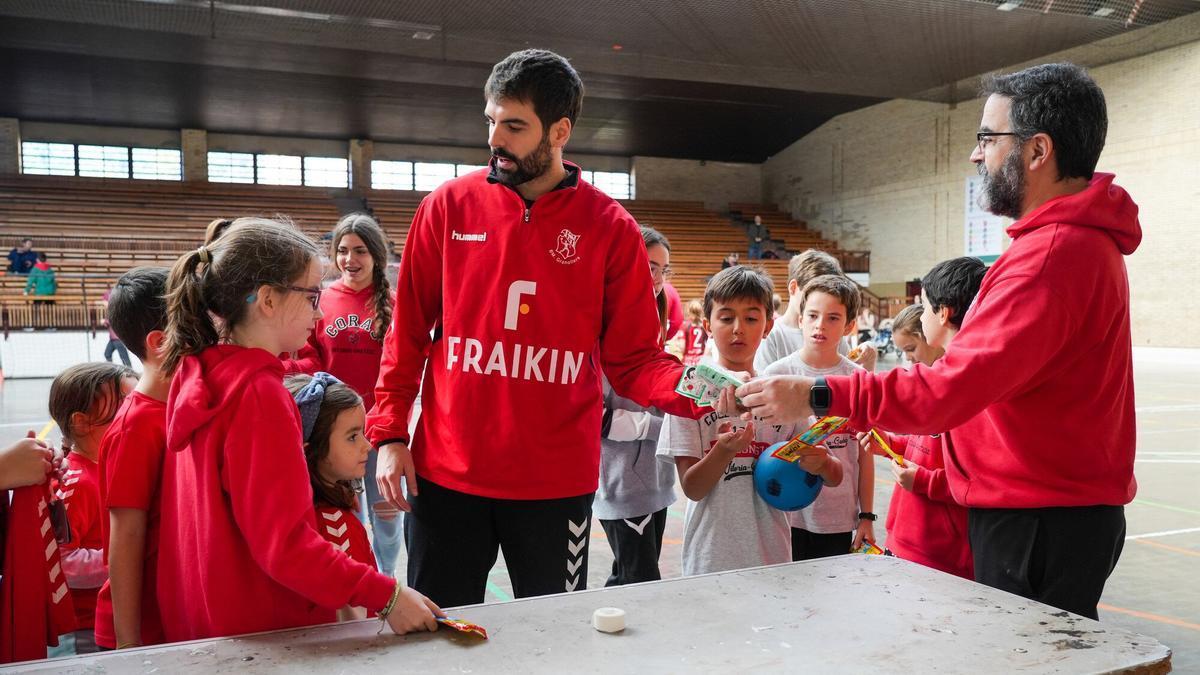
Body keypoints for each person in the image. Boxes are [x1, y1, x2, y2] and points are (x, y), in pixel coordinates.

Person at [735, 63, 1139, 621]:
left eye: (987, 138)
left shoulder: (1049, 258)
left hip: (1039, 521)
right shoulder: (1070, 247)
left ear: (1038, 150)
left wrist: (817, 395)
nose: (978, 155)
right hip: (1051, 514)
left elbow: (948, 391)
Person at [368, 49, 703, 608]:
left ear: (560, 130)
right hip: (447, 477)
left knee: (556, 645)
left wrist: (711, 393)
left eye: (515, 126)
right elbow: (406, 336)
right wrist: (389, 434)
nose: (496, 138)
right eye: (491, 121)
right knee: (437, 638)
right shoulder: (446, 207)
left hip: (555, 487)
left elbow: (637, 361)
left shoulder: (610, 228)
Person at [157, 217, 442, 641]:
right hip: (265, 624)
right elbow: (285, 545)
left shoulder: (197, 372)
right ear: (268, 300)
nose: (320, 309)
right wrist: (388, 596)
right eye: (311, 296)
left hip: (207, 615)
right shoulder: (260, 396)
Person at [658, 266, 842, 576]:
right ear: (707, 324)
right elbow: (693, 488)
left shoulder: (782, 394)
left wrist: (822, 462)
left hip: (773, 559)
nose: (738, 329)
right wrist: (724, 450)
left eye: (751, 318)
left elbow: (835, 475)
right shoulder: (690, 397)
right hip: (710, 560)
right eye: (726, 318)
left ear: (768, 325)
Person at [283, 214, 402, 577]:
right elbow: (309, 357)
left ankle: (388, 580)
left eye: (360, 251)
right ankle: (356, 585)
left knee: (387, 518)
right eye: (343, 251)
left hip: (380, 429)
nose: (350, 259)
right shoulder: (322, 301)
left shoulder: (394, 303)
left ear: (376, 256)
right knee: (346, 514)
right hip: (334, 429)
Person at [860, 300, 973, 580]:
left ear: (934, 334)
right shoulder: (928, 395)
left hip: (940, 551)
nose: (908, 359)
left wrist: (922, 481)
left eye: (911, 349)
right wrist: (886, 445)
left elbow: (973, 483)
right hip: (902, 535)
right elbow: (919, 447)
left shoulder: (967, 403)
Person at [762, 275, 872, 559]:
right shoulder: (777, 376)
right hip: (784, 514)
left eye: (833, 318)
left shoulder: (859, 380)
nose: (820, 324)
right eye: (812, 315)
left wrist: (867, 515)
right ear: (800, 319)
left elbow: (865, 454)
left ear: (849, 326)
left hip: (836, 516)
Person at [92, 267, 171, 651]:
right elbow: (126, 538)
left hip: (170, 613)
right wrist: (128, 644)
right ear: (159, 343)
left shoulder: (177, 408)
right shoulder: (136, 427)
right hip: (142, 626)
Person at [594, 227, 678, 586]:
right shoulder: (597, 330)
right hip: (623, 486)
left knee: (628, 579)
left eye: (663, 269)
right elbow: (598, 419)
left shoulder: (653, 331)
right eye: (649, 266)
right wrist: (667, 428)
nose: (657, 279)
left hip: (655, 481)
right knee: (641, 584)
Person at [48, 362, 138, 654]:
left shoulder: (109, 468)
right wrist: (126, 559)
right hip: (84, 628)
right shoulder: (78, 482)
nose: (135, 415)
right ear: (82, 423)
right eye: (125, 406)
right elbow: (62, 562)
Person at [285, 373, 377, 621]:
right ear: (310, 450)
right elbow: (357, 618)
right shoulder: (335, 526)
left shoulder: (295, 514)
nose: (367, 446)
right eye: (352, 436)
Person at [754, 249, 876, 373]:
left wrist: (867, 362)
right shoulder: (771, 335)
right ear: (793, 288)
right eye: (814, 290)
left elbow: (846, 376)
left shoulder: (836, 336)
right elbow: (765, 384)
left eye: (833, 318)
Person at [100, 287, 132, 368]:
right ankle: (111, 371)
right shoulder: (111, 310)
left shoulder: (115, 309)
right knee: (107, 354)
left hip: (118, 339)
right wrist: (106, 323)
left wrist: (105, 321)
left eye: (104, 301)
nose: (103, 304)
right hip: (113, 338)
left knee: (124, 358)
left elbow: (115, 320)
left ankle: (131, 373)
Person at [675, 299, 709, 366]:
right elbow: (708, 346)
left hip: (688, 361)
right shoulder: (705, 326)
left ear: (689, 312)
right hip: (701, 360)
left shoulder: (685, 326)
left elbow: (682, 347)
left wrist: (677, 343)